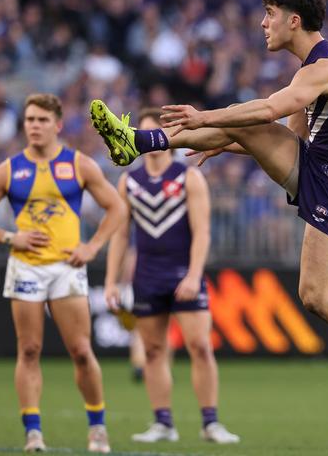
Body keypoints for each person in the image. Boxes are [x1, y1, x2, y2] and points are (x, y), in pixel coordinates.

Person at [90, 0, 328, 436]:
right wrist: (227, 142)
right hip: (319, 166)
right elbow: (285, 136)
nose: (263, 23)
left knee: (317, 296)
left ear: (294, 20)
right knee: (242, 132)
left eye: (269, 13)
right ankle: (139, 143)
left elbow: (267, 112)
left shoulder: (326, 68)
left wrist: (207, 118)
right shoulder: (310, 69)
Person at [0, 93, 124, 453]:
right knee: (30, 349)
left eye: (41, 120)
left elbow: (116, 208)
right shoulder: (9, 169)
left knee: (81, 351)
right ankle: (33, 431)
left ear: (58, 124)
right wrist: (10, 237)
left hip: (66, 267)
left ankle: (97, 426)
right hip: (27, 267)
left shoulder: (79, 165)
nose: (34, 126)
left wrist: (92, 247)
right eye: (30, 120)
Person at [104, 108, 240, 444]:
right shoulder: (129, 181)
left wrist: (194, 275)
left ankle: (211, 422)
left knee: (199, 347)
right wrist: (111, 281)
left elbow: (202, 232)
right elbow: (121, 234)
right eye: (143, 135)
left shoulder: (188, 176)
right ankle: (162, 422)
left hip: (183, 272)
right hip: (147, 276)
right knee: (152, 351)